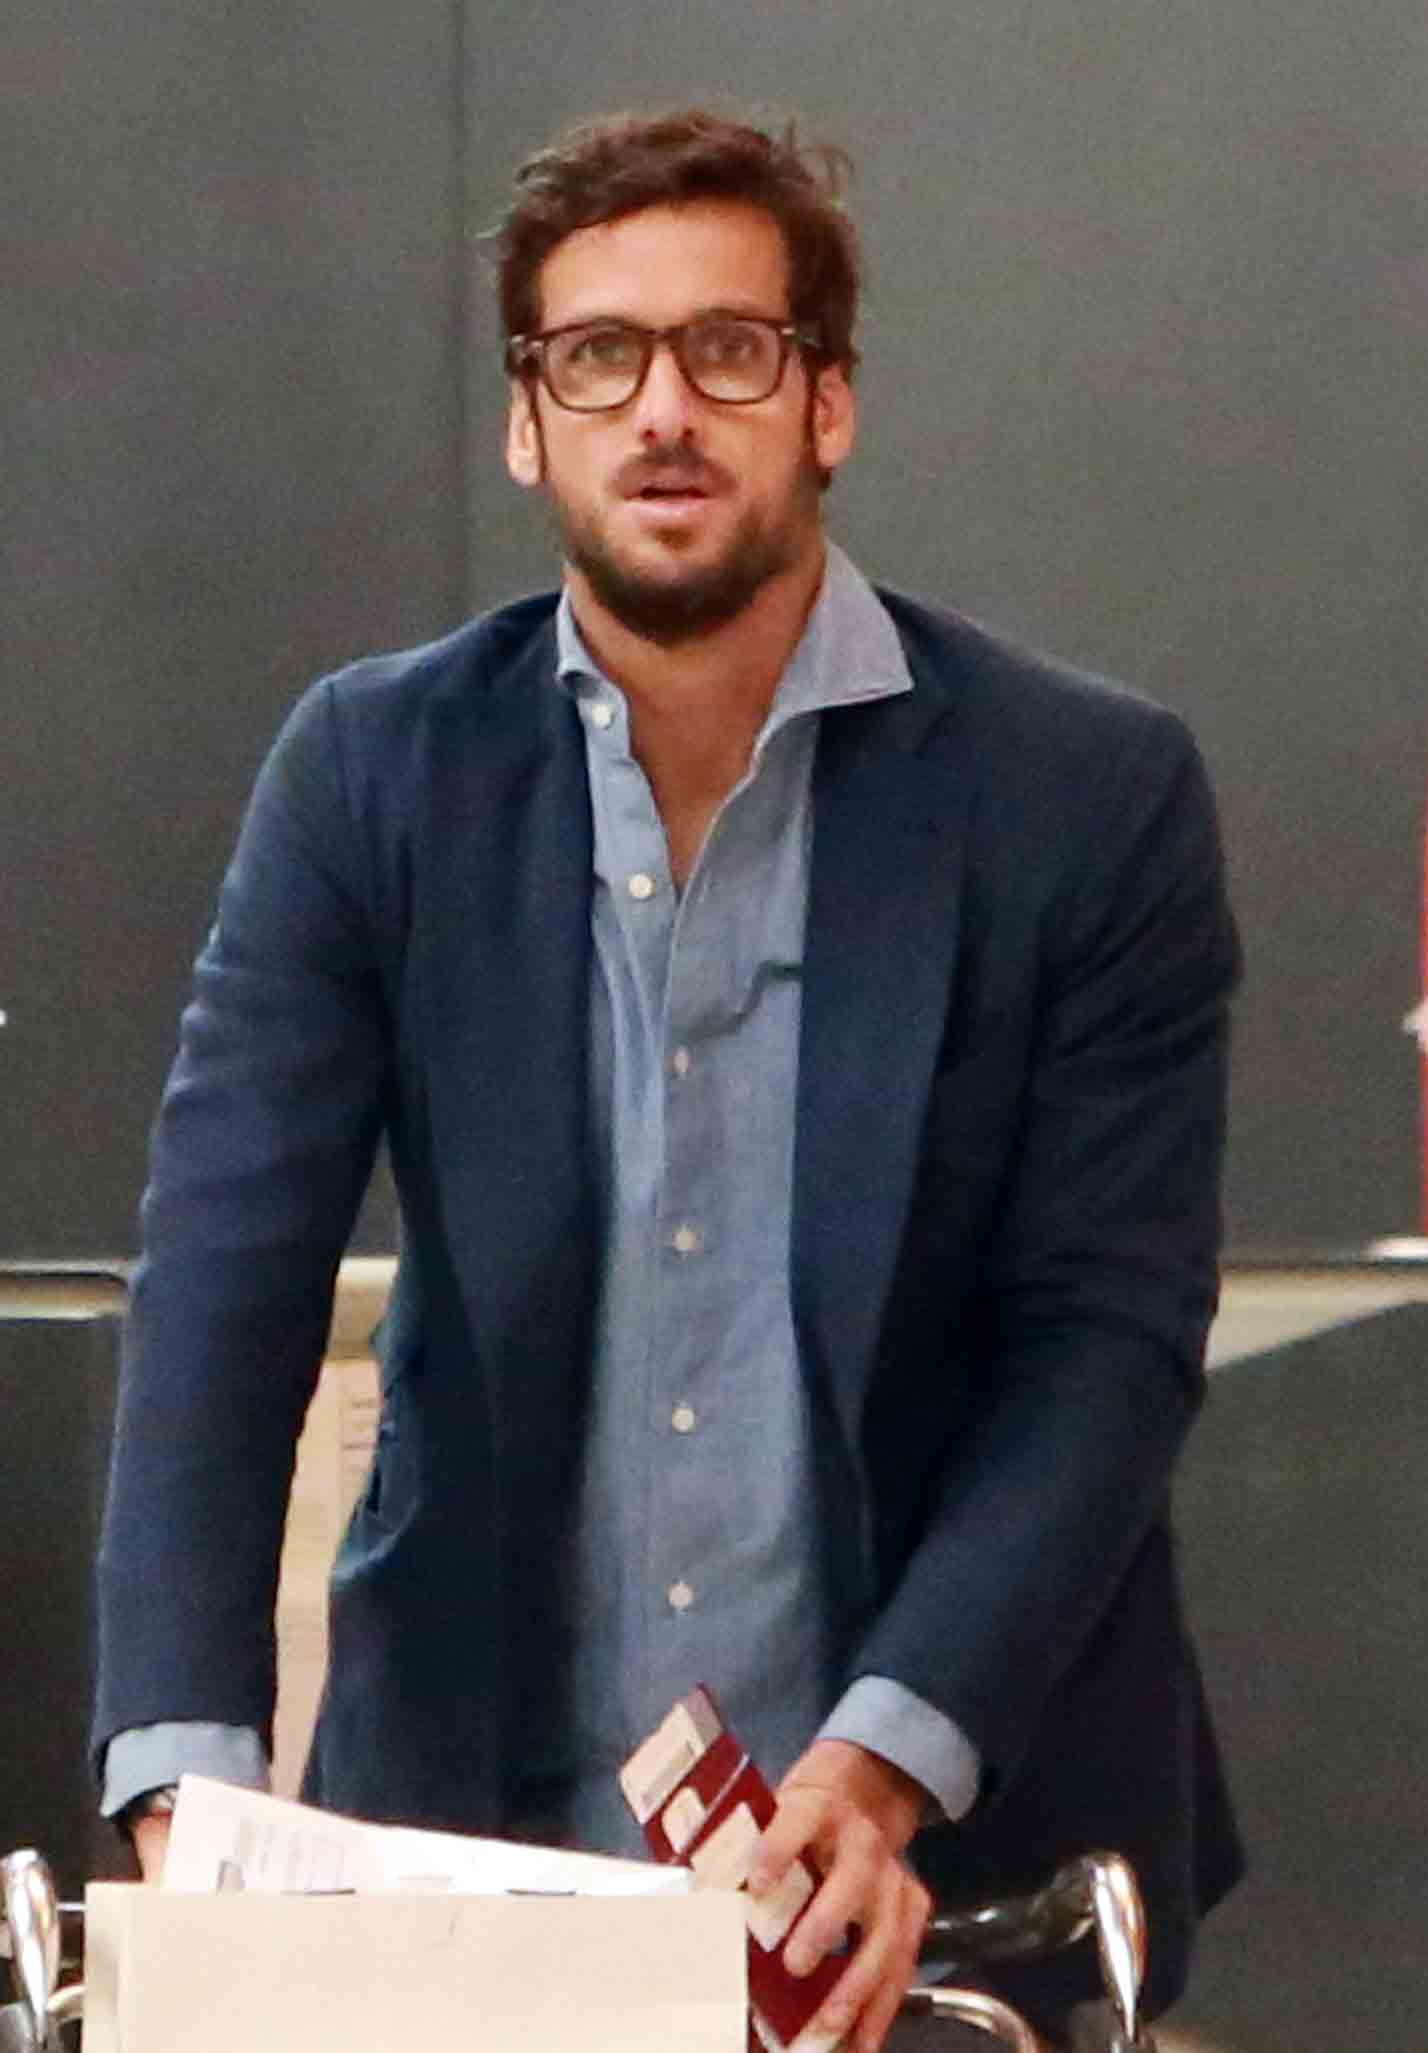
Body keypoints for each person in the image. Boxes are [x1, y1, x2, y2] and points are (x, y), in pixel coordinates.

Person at [89, 109, 1241, 2047]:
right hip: (475, 1859)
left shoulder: (1085, 799)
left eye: (730, 349)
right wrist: (181, 1795)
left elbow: (1105, 1342)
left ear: (828, 403)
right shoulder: (373, 777)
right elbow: (222, 1287)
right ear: (526, 422)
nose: (664, 409)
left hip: (941, 1872)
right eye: (594, 356)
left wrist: (881, 1767)